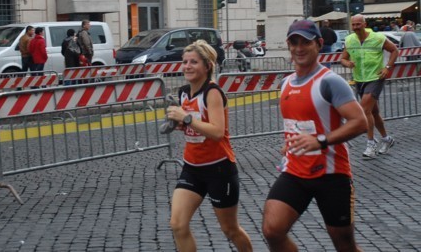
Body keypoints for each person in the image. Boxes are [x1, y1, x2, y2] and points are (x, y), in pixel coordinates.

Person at [262, 20, 367, 252]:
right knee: (272, 230)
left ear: (319, 44)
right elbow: (299, 122)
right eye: (294, 42)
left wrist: (319, 140)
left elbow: (360, 123)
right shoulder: (286, 83)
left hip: (332, 175)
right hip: (295, 171)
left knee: (344, 245)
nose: (299, 48)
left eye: (306, 42)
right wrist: (290, 143)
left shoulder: (330, 82)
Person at [165, 40, 253, 252]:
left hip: (219, 169)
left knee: (230, 229)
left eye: (193, 62)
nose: (187, 66)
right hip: (192, 167)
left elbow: (216, 132)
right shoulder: (184, 92)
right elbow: (195, 126)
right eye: (185, 62)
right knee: (177, 224)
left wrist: (186, 119)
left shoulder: (213, 93)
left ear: (207, 66)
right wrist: (181, 125)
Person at [340, 14, 398, 159]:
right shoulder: (349, 40)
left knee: (364, 109)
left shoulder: (377, 38)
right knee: (374, 112)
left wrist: (387, 67)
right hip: (359, 79)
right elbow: (343, 58)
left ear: (364, 24)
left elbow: (394, 50)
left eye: (358, 24)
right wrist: (347, 64)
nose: (355, 27)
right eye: (353, 25)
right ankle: (386, 139)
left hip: (375, 77)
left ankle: (370, 143)